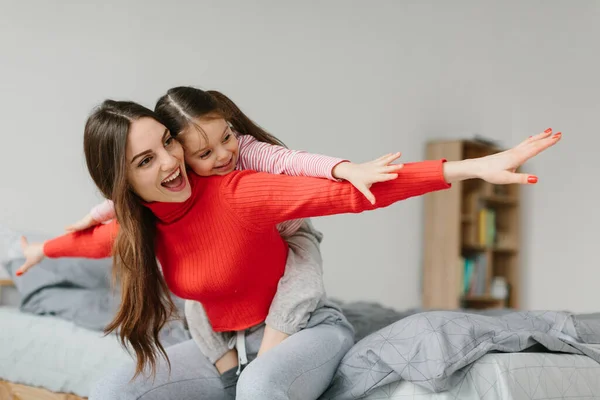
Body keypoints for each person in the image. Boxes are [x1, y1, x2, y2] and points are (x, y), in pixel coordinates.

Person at [16, 95, 560, 399]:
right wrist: (41, 250)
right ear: (122, 183)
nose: (169, 162)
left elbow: (356, 192)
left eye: (166, 143)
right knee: (114, 390)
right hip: (221, 350)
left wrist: (471, 168)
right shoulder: (138, 230)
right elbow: (86, 243)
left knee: (260, 391)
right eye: (144, 161)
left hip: (303, 329)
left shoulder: (237, 192)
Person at [62, 87, 404, 375]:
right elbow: (120, 206)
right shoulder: (178, 185)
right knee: (194, 306)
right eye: (205, 152)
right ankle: (231, 376)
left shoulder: (245, 158)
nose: (224, 154)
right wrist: (78, 226)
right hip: (243, 276)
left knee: (300, 277)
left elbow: (296, 163)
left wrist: (345, 168)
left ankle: (266, 359)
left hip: (290, 229)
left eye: (168, 144)